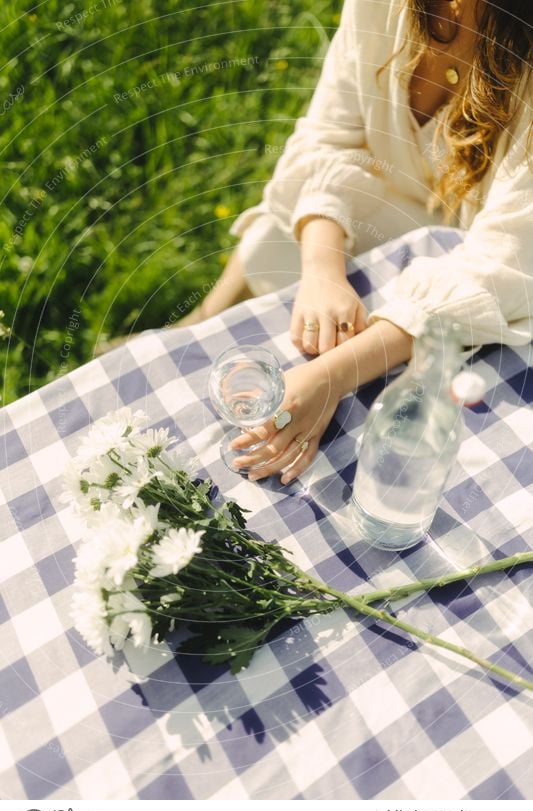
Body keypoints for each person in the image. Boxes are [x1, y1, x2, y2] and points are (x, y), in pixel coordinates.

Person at [191, 0, 533, 483]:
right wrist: (323, 272)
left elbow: (507, 262)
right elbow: (330, 137)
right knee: (274, 237)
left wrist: (333, 374)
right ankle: (196, 322)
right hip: (390, 203)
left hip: (484, 274)